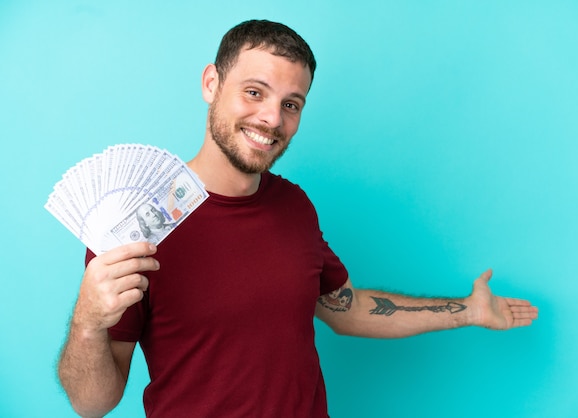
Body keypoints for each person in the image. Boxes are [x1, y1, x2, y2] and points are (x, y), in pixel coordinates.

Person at [57, 19, 538, 417]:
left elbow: (344, 309)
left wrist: (468, 311)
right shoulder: (135, 224)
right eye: (253, 92)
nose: (272, 118)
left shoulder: (293, 205)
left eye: (291, 104)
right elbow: (92, 403)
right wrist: (87, 321)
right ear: (211, 83)